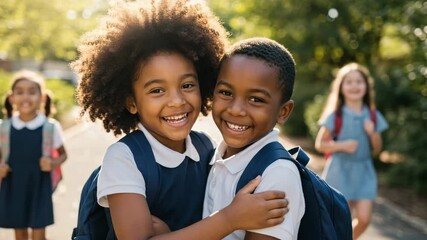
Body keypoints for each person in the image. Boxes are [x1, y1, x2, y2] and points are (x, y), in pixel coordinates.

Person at [72, 0, 288, 239]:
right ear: (131, 102)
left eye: (187, 85)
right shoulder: (124, 158)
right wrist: (229, 219)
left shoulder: (206, 148)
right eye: (157, 90)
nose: (176, 101)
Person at [203, 37, 305, 240]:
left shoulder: (277, 175)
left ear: (283, 111)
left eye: (256, 99)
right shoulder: (215, 156)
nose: (236, 109)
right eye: (225, 92)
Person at [314, 62, 388, 239]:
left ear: (366, 86)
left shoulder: (372, 115)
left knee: (364, 218)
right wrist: (341, 146)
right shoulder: (335, 115)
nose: (354, 86)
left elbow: (377, 149)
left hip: (364, 171)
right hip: (340, 171)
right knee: (342, 220)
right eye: (349, 82)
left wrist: (373, 133)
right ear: (341, 87)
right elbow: (320, 144)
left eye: (359, 81)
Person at [0, 70, 68, 240]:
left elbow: (63, 154)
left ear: (42, 97)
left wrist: (53, 163)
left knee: (39, 234)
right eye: (20, 92)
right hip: (14, 185)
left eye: (32, 92)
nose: (26, 97)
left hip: (39, 186)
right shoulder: (4, 127)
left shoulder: (50, 127)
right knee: (20, 234)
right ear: (11, 98)